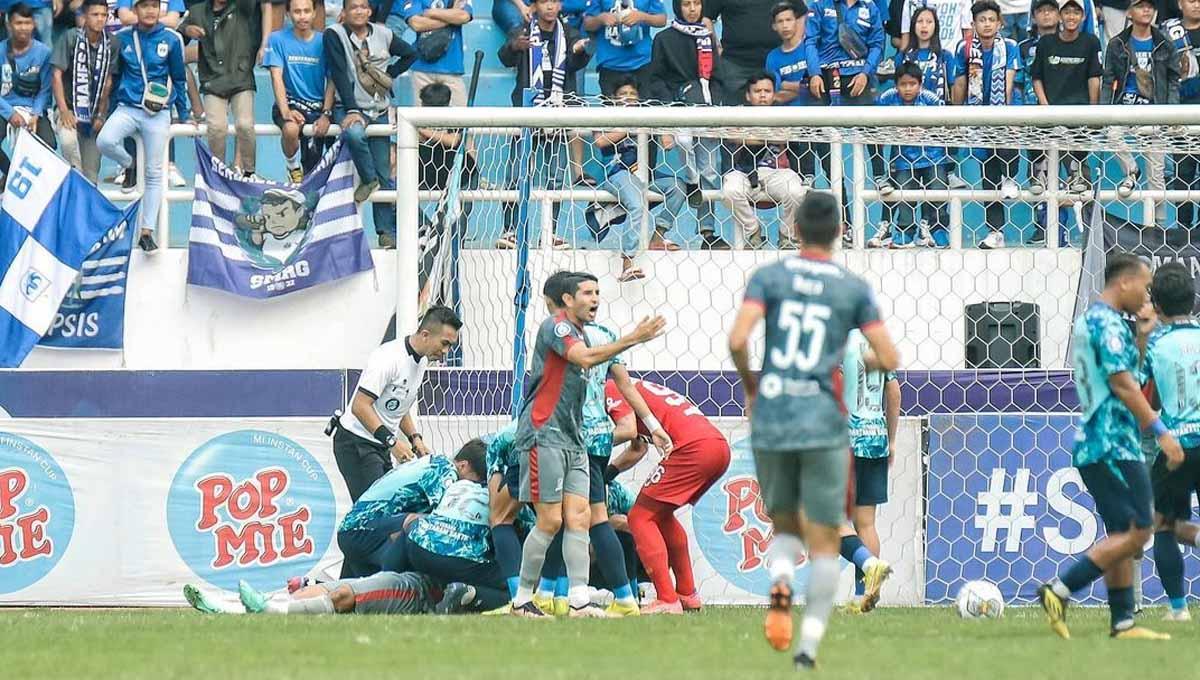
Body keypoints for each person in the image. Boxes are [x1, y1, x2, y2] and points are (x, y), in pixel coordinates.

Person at [728, 191, 900, 670]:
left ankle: (781, 588)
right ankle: (807, 649)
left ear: (795, 229)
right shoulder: (852, 287)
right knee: (827, 538)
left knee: (785, 526)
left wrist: (752, 386)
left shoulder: (770, 276)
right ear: (840, 233)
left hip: (776, 413)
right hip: (825, 419)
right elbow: (889, 359)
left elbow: (738, 339)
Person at [1038, 253, 1184, 641]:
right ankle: (1060, 590)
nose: (1148, 296)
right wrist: (1162, 432)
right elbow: (1124, 385)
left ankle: (1122, 622)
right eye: (1145, 286)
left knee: (1122, 531)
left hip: (1099, 441)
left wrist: (1142, 337)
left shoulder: (1097, 323)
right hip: (1113, 442)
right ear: (1124, 283)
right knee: (1138, 532)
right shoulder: (1108, 324)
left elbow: (1126, 374)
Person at [508, 271, 666, 618]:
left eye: (598, 292)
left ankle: (578, 599)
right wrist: (633, 338)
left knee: (579, 518)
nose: (595, 298)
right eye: (587, 293)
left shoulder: (580, 332)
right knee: (549, 520)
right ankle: (521, 600)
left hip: (576, 438)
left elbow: (612, 375)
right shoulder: (558, 327)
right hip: (544, 434)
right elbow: (583, 358)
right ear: (567, 300)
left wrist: (651, 424)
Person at [605, 378, 731, 614]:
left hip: (694, 448)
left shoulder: (609, 389)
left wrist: (586, 445)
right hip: (717, 447)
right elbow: (638, 447)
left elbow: (628, 430)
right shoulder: (632, 386)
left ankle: (666, 598)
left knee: (640, 517)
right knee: (660, 516)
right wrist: (608, 473)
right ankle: (687, 593)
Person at [331, 306, 462, 502]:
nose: (446, 351)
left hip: (379, 444)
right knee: (373, 513)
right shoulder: (388, 358)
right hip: (355, 441)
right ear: (425, 334)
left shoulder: (422, 361)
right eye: (444, 343)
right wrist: (392, 442)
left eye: (450, 346)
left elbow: (400, 403)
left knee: (388, 508)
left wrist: (414, 438)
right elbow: (360, 406)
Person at [96, 0, 193, 253]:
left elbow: (179, 79)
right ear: (134, 10)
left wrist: (183, 114)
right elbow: (113, 77)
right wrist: (107, 109)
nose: (150, 11)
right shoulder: (121, 38)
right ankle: (130, 164)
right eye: (143, 6)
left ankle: (147, 231)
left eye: (154, 6)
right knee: (104, 141)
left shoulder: (172, 39)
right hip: (127, 107)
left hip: (157, 112)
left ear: (159, 10)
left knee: (154, 173)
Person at [493, 0, 591, 250]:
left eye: (554, 1)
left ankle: (551, 231)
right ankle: (510, 230)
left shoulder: (569, 32)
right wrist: (515, 46)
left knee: (556, 177)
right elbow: (504, 58)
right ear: (535, 5)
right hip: (526, 112)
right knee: (516, 175)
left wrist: (580, 51)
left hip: (557, 112)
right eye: (544, 1)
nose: (550, 6)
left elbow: (577, 64)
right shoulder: (524, 29)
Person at [324, 0, 417, 248]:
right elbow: (339, 73)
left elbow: (411, 53)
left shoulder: (384, 34)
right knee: (354, 135)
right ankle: (368, 179)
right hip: (349, 105)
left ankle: (386, 233)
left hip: (380, 107)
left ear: (369, 10)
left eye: (363, 6)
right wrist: (352, 109)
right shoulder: (334, 35)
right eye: (353, 7)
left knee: (385, 172)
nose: (359, 11)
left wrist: (390, 74)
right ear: (344, 11)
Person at [642, 0, 726, 250]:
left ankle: (708, 232)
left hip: (707, 111)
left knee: (711, 171)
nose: (692, 8)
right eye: (686, 4)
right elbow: (656, 79)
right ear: (677, 7)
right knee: (684, 143)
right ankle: (691, 181)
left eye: (697, 3)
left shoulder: (707, 37)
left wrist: (715, 104)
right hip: (678, 110)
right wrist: (673, 107)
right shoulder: (664, 39)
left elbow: (717, 77)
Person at [1141, 263, 1200, 623]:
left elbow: (1137, 392)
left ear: (1156, 305)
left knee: (1163, 525)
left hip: (1176, 444)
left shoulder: (1155, 345)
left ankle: (1178, 609)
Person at [336, 441, 482, 577]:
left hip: (353, 531)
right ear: (463, 465)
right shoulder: (446, 470)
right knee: (424, 526)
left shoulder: (432, 461)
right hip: (361, 531)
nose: (470, 489)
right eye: (473, 482)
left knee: (353, 598)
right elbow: (443, 519)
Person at [590, 77, 680, 281]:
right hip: (619, 173)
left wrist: (665, 133)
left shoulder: (647, 117)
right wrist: (630, 126)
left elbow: (667, 143)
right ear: (613, 99)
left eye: (632, 94)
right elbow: (600, 141)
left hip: (645, 174)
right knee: (637, 206)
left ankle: (658, 237)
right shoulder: (603, 117)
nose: (628, 98)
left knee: (677, 186)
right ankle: (627, 262)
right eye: (623, 95)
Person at [837, 329, 900, 612]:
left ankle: (868, 569)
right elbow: (894, 391)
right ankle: (865, 594)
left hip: (845, 441)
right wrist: (892, 439)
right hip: (876, 439)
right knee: (866, 522)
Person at [1103, 0, 1179, 227]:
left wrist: (1170, 112)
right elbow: (1108, 79)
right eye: (1140, 6)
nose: (1146, 10)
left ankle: (1158, 227)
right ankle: (1131, 170)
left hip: (1154, 110)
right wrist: (1104, 111)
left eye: (1150, 6)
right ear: (1129, 12)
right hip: (1124, 108)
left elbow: (1174, 79)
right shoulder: (1117, 44)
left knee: (1156, 176)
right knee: (1112, 135)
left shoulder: (1164, 43)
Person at [804, 0, 887, 208]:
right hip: (826, 77)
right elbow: (810, 41)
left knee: (870, 128)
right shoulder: (820, 5)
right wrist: (814, 73)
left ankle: (879, 176)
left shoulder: (870, 7)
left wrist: (866, 73)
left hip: (858, 77)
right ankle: (810, 176)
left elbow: (877, 44)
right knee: (817, 133)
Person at [952, 0, 1021, 250]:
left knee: (1008, 153)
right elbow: (960, 82)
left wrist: (1006, 116)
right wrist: (958, 116)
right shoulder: (964, 47)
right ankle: (995, 232)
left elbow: (1010, 82)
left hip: (1006, 110)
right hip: (978, 114)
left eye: (991, 19)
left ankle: (1011, 177)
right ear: (973, 24)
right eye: (982, 20)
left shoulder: (1010, 46)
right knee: (989, 174)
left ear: (999, 22)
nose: (987, 24)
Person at [1028, 0, 1100, 214]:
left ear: (1083, 17)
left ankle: (1086, 232)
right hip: (1049, 118)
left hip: (1078, 119)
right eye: (1066, 12)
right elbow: (1036, 77)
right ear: (1060, 16)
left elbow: (1094, 77)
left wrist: (1093, 110)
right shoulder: (1046, 43)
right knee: (1043, 185)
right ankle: (1045, 230)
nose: (1071, 17)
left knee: (1081, 189)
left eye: (1076, 12)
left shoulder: (1091, 42)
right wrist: (1045, 105)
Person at [870, 60, 951, 249]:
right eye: (903, 84)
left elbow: (945, 125)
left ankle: (937, 230)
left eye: (912, 84)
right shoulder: (887, 98)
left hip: (933, 156)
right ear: (896, 85)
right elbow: (874, 123)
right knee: (905, 193)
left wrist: (924, 129)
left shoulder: (930, 99)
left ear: (920, 84)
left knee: (938, 191)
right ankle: (905, 232)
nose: (907, 89)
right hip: (903, 159)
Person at [723, 73, 807, 250]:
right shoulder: (737, 114)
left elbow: (783, 137)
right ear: (748, 95)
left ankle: (787, 236)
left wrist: (748, 136)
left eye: (767, 91)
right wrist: (768, 137)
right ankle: (753, 232)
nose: (762, 95)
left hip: (776, 172)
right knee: (730, 191)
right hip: (744, 172)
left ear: (774, 94)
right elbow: (733, 136)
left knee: (797, 191)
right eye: (757, 91)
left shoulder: (782, 115)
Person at [180, 0, 259, 176]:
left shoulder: (244, 6)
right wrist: (187, 30)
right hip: (212, 80)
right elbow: (178, 37)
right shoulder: (197, 11)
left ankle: (249, 172)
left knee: (245, 125)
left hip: (241, 78)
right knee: (216, 127)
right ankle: (219, 174)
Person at [264, 0, 333, 184]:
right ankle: (293, 167)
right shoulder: (277, 39)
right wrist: (286, 110)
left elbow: (332, 81)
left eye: (306, 11)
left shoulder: (325, 41)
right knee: (290, 129)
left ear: (314, 13)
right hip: (289, 103)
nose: (302, 16)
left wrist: (326, 113)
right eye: (296, 11)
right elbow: (276, 76)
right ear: (288, 14)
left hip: (317, 108)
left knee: (312, 174)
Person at [183, 572, 441, 615]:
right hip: (396, 572)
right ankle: (227, 607)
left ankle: (267, 610)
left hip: (418, 588)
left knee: (342, 595)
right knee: (311, 592)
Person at [50, 0, 110, 184]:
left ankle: (87, 202)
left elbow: (109, 82)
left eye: (104, 15)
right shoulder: (69, 38)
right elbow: (56, 75)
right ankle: (76, 181)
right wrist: (63, 109)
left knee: (92, 174)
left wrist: (100, 115)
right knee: (68, 143)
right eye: (95, 15)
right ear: (84, 17)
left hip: (94, 116)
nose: (100, 19)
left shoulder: (111, 44)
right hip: (68, 110)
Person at [767, 1, 824, 188]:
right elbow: (776, 95)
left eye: (789, 20)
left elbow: (819, 87)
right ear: (774, 26)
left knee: (836, 177)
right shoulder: (772, 57)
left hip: (820, 121)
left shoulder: (810, 49)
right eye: (780, 21)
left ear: (797, 21)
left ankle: (845, 218)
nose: (785, 25)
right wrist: (804, 86)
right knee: (802, 184)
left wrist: (787, 84)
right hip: (792, 127)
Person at [0, 3, 55, 183]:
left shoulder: (44, 53)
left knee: (50, 145)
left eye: (27, 23)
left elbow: (46, 89)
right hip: (5, 107)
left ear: (34, 25)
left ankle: (33, 184)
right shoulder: (0, 51)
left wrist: (36, 114)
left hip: (33, 109)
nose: (23, 28)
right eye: (18, 23)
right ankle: (10, 175)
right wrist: (10, 113)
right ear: (9, 25)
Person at [583, 0, 666, 97]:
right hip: (610, 64)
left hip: (642, 62)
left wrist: (642, 16)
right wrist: (601, 19)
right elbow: (587, 24)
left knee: (645, 109)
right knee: (612, 110)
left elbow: (662, 19)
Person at [1166, 0, 1200, 230]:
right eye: (1191, 0)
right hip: (1182, 112)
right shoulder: (1169, 33)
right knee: (1182, 175)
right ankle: (1183, 227)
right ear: (1180, 4)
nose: (1196, 5)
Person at [704, 0, 780, 103]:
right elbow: (705, 17)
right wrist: (716, 48)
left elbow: (800, 12)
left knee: (779, 116)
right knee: (734, 115)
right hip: (735, 64)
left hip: (776, 63)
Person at [402, 0, 473, 106]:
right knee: (422, 119)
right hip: (421, 68)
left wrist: (429, 12)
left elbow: (463, 17)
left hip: (451, 67)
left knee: (460, 119)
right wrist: (451, 15)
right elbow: (416, 24)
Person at [899, 0, 971, 53]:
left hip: (952, 55)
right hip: (916, 59)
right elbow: (906, 35)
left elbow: (968, 32)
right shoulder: (910, 2)